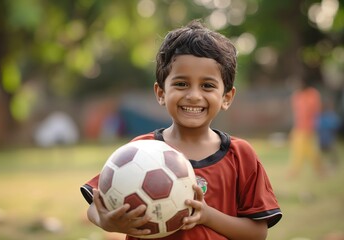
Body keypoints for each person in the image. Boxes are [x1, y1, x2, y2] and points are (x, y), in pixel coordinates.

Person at [81, 20, 282, 240]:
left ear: (226, 97)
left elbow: (257, 233)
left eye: (207, 85)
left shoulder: (241, 156)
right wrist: (106, 221)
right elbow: (96, 202)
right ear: (161, 93)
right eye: (181, 84)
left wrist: (207, 216)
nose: (194, 95)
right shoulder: (140, 152)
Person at [287, 78, 323, 178]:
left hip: (308, 127)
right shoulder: (297, 96)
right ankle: (318, 169)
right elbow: (297, 114)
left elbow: (314, 111)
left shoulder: (312, 94)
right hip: (299, 127)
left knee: (307, 150)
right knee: (300, 150)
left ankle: (318, 169)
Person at [316, 96, 341, 168]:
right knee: (321, 154)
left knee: (332, 152)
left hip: (329, 139)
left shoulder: (330, 115)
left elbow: (337, 125)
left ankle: (334, 165)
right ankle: (322, 166)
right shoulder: (320, 116)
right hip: (322, 140)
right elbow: (316, 127)